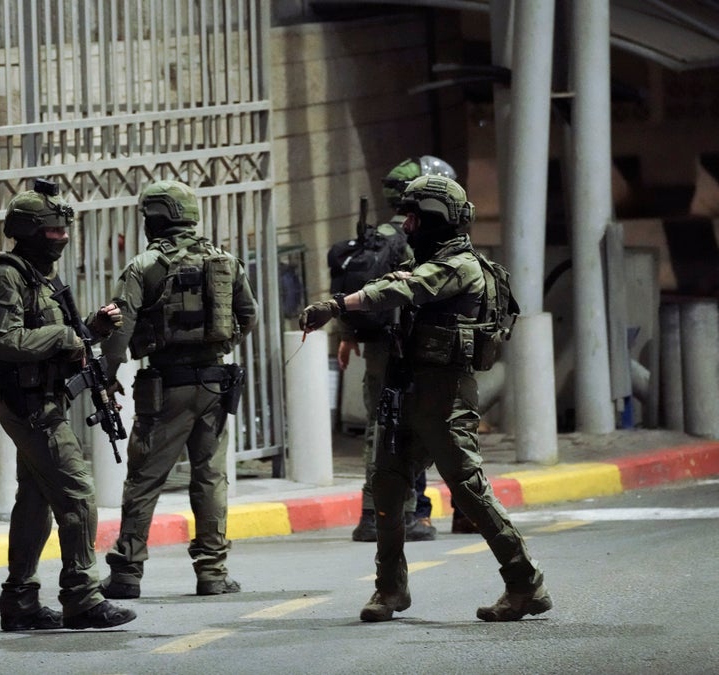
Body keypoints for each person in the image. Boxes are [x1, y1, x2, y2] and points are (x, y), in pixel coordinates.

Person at [299, 175, 552, 623]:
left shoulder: (459, 266)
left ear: (436, 219)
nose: (408, 225)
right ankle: (391, 589)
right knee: (387, 487)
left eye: (416, 217)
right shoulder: (429, 261)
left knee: (470, 493)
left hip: (446, 399)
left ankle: (525, 583)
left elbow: (404, 290)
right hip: (409, 393)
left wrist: (337, 306)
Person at [0, 182, 135, 631]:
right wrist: (66, 337)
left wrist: (92, 329)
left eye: (65, 228)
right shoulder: (8, 276)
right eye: (52, 230)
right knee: (78, 492)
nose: (61, 236)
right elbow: (3, 341)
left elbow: (64, 339)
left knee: (34, 500)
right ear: (27, 231)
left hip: (46, 399)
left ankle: (20, 599)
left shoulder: (44, 277)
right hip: (28, 405)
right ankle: (82, 597)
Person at [96, 180, 258, 599]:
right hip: (214, 383)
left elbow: (120, 327)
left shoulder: (144, 265)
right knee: (209, 478)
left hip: (166, 386)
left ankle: (127, 573)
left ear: (153, 219)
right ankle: (213, 572)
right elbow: (248, 315)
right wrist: (220, 346)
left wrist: (108, 374)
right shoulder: (224, 259)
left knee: (145, 478)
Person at [335, 156, 459, 544]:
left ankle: (380, 513)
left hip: (377, 347)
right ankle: (397, 512)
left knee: (380, 424)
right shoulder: (416, 237)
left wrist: (347, 333)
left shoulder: (376, 238)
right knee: (407, 427)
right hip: (408, 345)